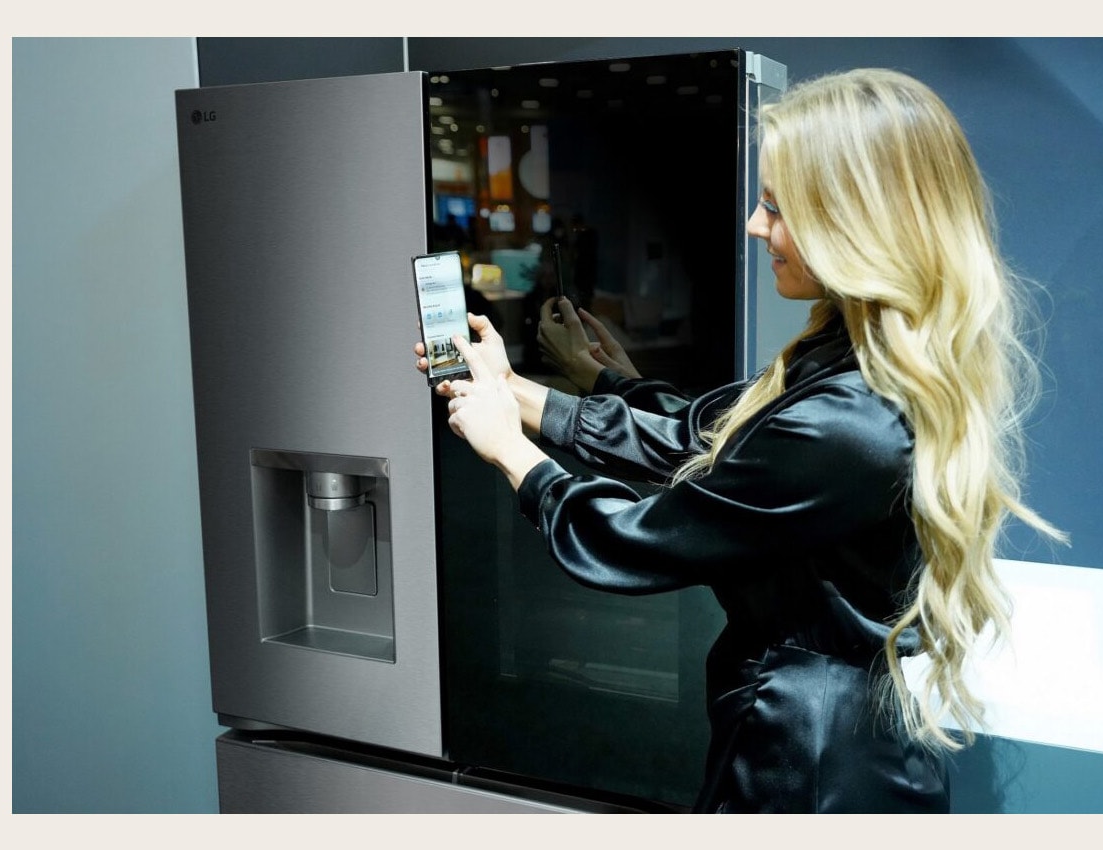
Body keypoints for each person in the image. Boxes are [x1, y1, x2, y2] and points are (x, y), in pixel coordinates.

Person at [413, 68, 1065, 813]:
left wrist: (512, 451)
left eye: (777, 209)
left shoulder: (850, 422)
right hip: (835, 736)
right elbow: (705, 435)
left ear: (854, 223)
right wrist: (519, 391)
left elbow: (634, 539)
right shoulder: (853, 360)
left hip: (805, 759)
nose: (756, 225)